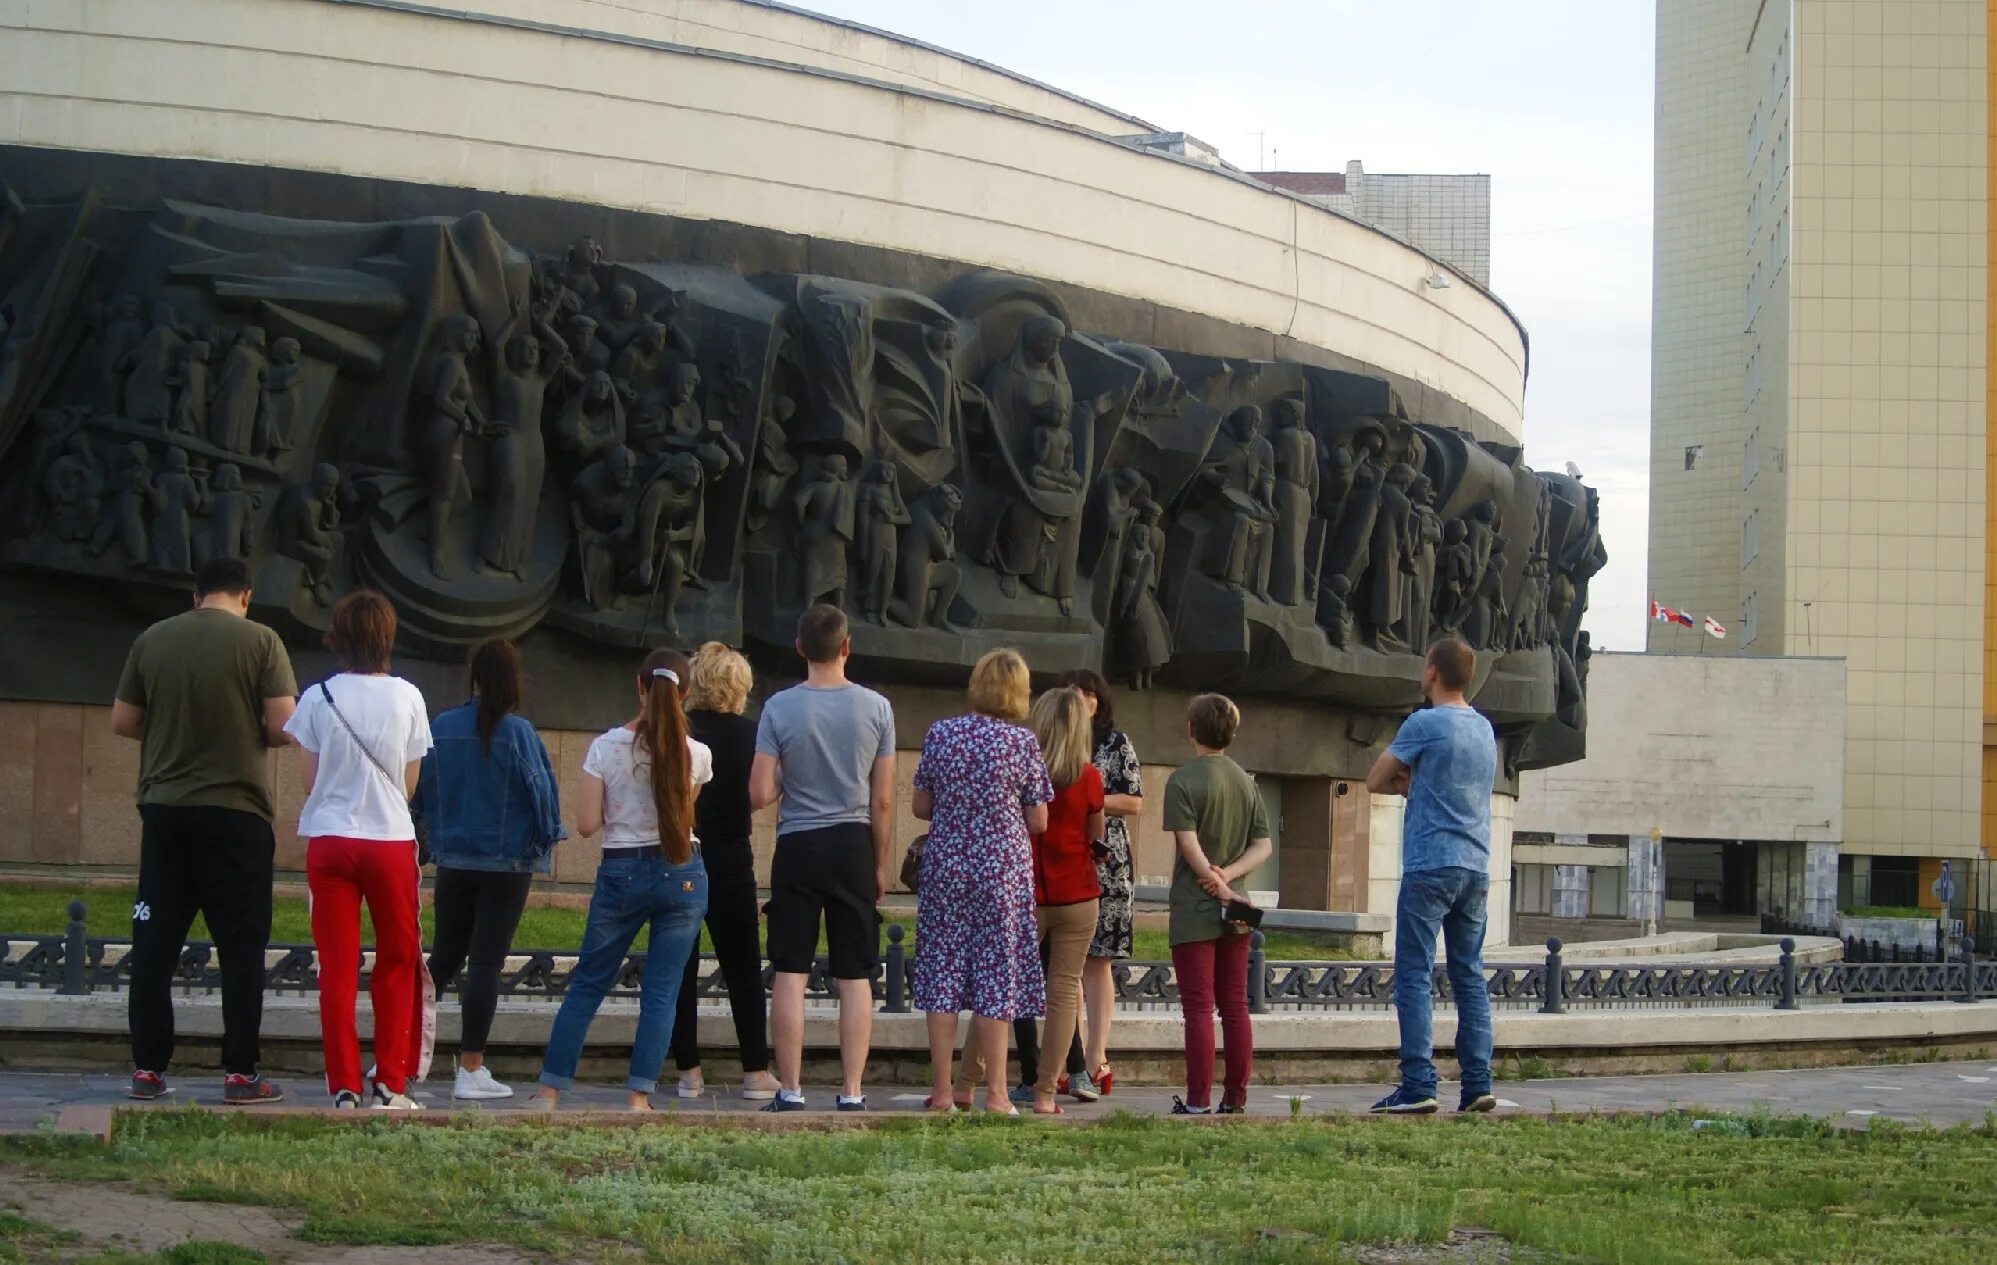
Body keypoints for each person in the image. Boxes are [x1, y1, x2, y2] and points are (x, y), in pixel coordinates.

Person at [112, 556, 297, 1105]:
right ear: (245, 595)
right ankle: (241, 1075)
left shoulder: (153, 639)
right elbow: (282, 724)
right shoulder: (262, 641)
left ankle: (148, 1068)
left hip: (165, 812)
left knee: (155, 945)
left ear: (196, 597)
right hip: (236, 814)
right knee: (240, 948)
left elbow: (123, 722)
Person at [533, 649, 712, 1112]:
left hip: (621, 869)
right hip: (683, 871)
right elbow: (683, 816)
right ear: (685, 693)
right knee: (661, 991)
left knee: (589, 982)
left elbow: (588, 823)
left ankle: (550, 1091)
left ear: (639, 687)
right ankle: (638, 1097)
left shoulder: (605, 747)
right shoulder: (697, 754)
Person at [284, 591, 434, 1109]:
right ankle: (390, 1082)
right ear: (387, 636)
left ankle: (343, 1085)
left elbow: (309, 780)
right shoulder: (408, 697)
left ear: (339, 636)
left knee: (337, 966)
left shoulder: (317, 696)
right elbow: (410, 784)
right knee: (397, 960)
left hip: (329, 840)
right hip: (390, 841)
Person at [749, 605, 896, 1113]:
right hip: (854, 842)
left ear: (799, 649)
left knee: (790, 968)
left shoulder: (777, 708)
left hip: (797, 845)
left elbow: (760, 791)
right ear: (847, 646)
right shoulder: (877, 708)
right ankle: (852, 1089)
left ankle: (790, 1088)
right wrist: (878, 862)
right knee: (855, 972)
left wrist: (791, 778)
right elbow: (882, 799)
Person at [416, 638, 565, 1102]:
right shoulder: (518, 732)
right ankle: (471, 1067)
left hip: (454, 860)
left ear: (473, 676)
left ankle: (398, 1053)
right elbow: (542, 797)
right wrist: (544, 842)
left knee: (442, 958)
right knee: (485, 962)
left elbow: (421, 795)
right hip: (507, 864)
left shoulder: (441, 726)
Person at [913, 649, 1053, 1116]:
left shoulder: (942, 734)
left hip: (947, 868)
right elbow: (1038, 819)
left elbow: (920, 806)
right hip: (1001, 872)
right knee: (997, 978)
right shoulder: (1021, 743)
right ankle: (995, 1094)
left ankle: (940, 1092)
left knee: (943, 972)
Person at [1364, 636, 1499, 1115]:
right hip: (1475, 867)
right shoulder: (1484, 729)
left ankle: (1419, 1083)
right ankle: (1477, 1083)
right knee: (1469, 975)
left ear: (1431, 673)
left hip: (1429, 865)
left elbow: (1376, 779)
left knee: (1415, 976)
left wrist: (1412, 784)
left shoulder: (1425, 723)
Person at [973, 686, 1102, 1116]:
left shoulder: (1023, 770)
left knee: (998, 986)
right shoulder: (1089, 777)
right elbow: (1094, 838)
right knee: (1065, 991)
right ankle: (1046, 1093)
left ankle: (966, 1082)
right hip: (1078, 894)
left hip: (1024, 891)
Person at [671, 643, 783, 1102]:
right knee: (742, 967)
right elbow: (764, 792)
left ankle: (688, 1071)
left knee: (680, 965)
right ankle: (755, 1070)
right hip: (733, 857)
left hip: (683, 852)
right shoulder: (753, 735)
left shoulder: (681, 730)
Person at [1163, 693, 1272, 1115]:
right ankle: (1236, 1098)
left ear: (1192, 730)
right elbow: (1263, 846)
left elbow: (1188, 847)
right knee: (1235, 1005)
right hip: (1237, 908)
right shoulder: (1248, 782)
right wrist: (1229, 878)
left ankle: (1197, 1101)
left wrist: (1213, 880)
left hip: (1195, 906)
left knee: (1197, 1007)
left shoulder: (1182, 781)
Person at [1058, 667, 1144, 1099]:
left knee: (1098, 962)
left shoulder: (1115, 743)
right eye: (1071, 691)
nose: (1079, 698)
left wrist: (1088, 796)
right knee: (1067, 964)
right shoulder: (1053, 741)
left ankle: (1096, 1057)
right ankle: (1067, 1059)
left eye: (1087, 692)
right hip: (1064, 854)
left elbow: (1133, 801)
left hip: (1108, 861)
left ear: (1098, 701)